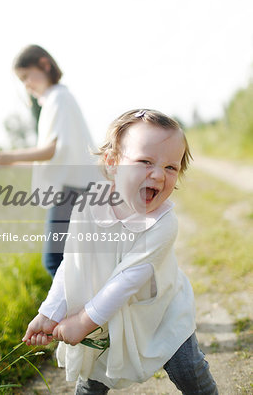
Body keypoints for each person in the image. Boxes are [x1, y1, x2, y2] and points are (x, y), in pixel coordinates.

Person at [22, 109, 218, 394]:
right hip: (104, 314)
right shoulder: (87, 206)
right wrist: (50, 312)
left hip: (160, 310)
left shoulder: (163, 222)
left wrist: (80, 322)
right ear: (113, 163)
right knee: (93, 377)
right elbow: (72, 265)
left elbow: (126, 281)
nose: (158, 175)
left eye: (170, 167)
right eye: (145, 162)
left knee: (189, 370)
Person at [0, 44, 98, 277]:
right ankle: (89, 308)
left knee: (54, 261)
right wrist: (13, 163)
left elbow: (50, 150)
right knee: (71, 260)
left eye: (27, 75)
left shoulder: (59, 98)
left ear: (45, 65)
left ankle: (83, 312)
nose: (26, 84)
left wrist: (10, 155)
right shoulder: (56, 100)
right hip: (75, 188)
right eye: (21, 79)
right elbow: (53, 157)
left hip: (70, 190)